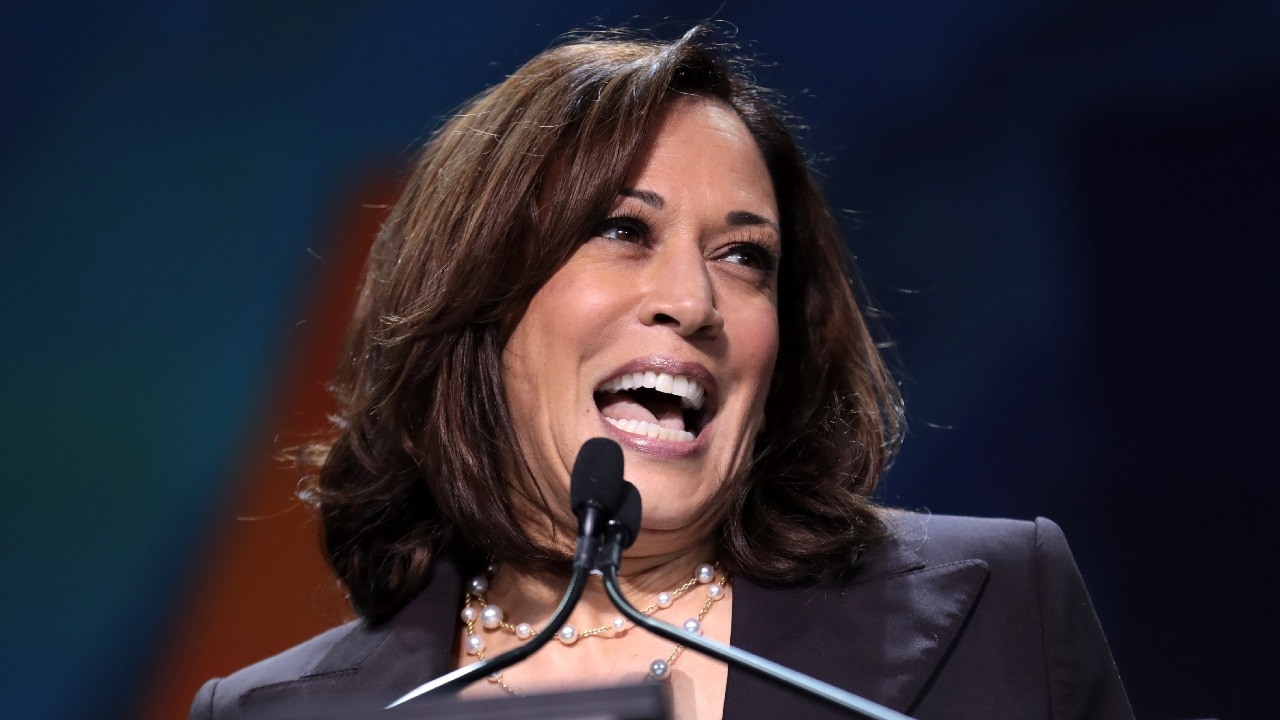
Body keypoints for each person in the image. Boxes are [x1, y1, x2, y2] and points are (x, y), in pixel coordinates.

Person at [190, 25, 1132, 720]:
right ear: (477, 305)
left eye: (744, 257)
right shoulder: (273, 713)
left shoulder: (1004, 606)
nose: (693, 301)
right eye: (621, 230)